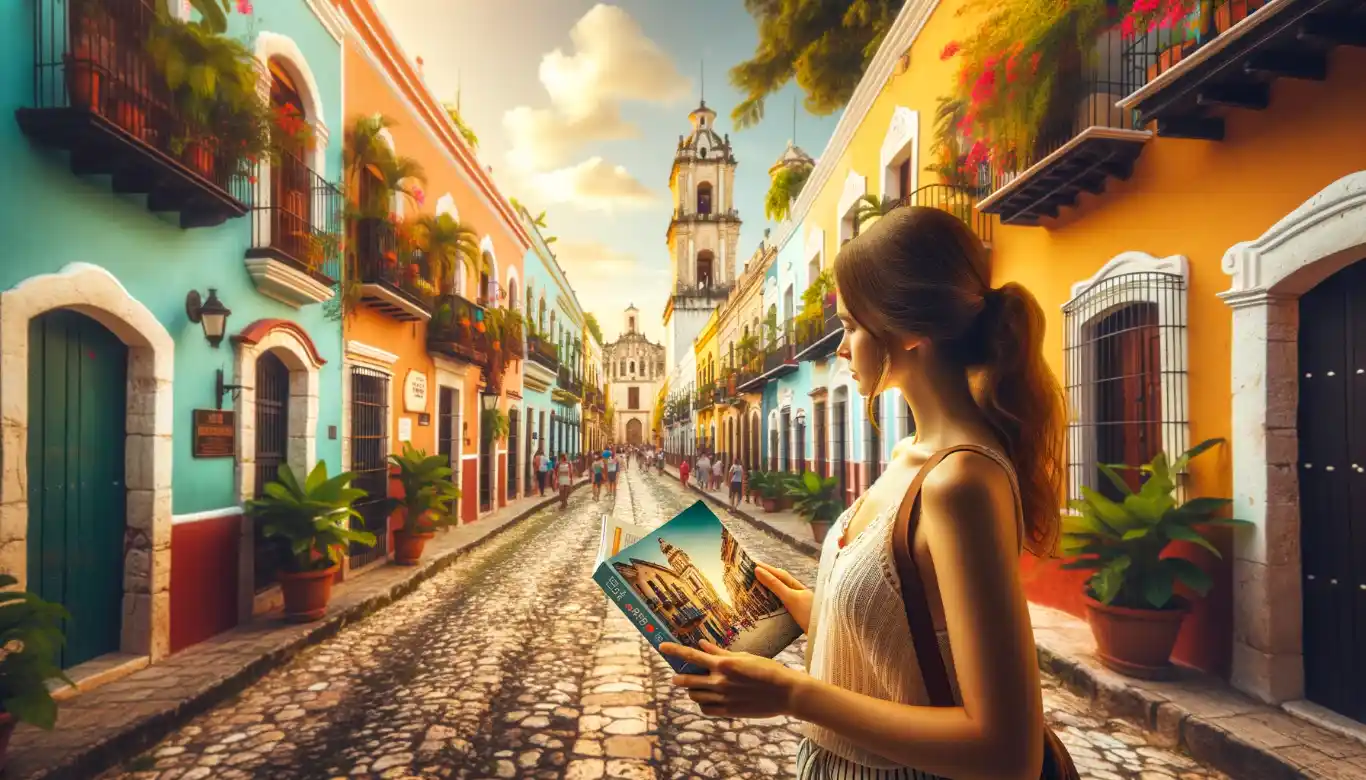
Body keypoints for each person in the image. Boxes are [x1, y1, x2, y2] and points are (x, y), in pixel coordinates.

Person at [661, 207, 1063, 780]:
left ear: (909, 331)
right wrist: (814, 607)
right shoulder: (908, 456)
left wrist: (794, 694)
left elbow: (1006, 751)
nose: (841, 348)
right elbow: (909, 618)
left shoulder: (960, 483)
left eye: (851, 326)